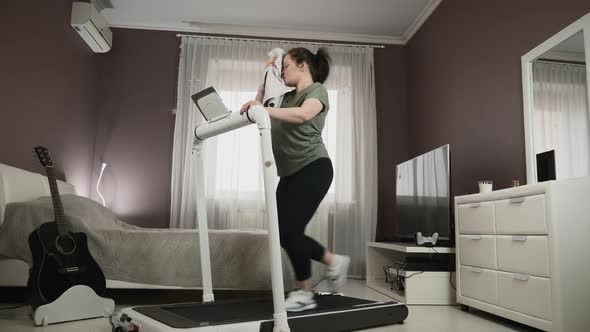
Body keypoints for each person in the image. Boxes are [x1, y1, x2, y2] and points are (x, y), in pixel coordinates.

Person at [240, 47, 350, 312]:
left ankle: (305, 291)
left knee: (289, 231)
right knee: (284, 233)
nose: (283, 72)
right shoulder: (285, 97)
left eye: (286, 66)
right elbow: (263, 102)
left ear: (302, 66)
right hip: (288, 173)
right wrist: (266, 74)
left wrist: (264, 110)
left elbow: (303, 115)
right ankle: (334, 261)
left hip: (314, 168)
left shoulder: (316, 92)